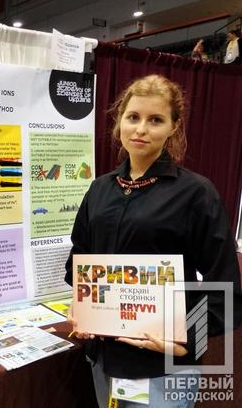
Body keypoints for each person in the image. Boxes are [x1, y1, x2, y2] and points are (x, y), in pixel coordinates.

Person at [64, 74, 242, 408]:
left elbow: (225, 285)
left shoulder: (196, 193)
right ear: (120, 121)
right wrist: (80, 304)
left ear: (174, 126)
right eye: (133, 117)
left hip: (161, 366)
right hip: (104, 358)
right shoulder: (99, 189)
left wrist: (187, 339)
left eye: (155, 120)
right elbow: (80, 260)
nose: (141, 129)